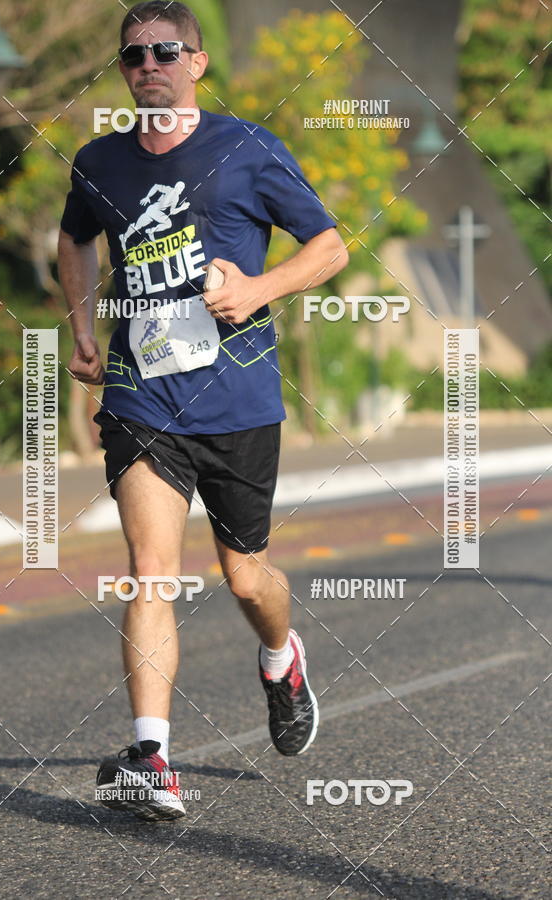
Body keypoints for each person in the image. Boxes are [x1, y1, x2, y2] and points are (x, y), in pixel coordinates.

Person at [58, 0, 348, 821]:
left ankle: (280, 657)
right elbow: (74, 237)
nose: (147, 65)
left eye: (163, 51)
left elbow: (329, 246)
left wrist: (257, 288)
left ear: (196, 62)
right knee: (154, 570)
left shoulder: (247, 148)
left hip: (239, 396)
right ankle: (151, 756)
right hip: (140, 393)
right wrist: (81, 326)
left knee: (245, 575)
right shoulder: (100, 162)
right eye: (132, 56)